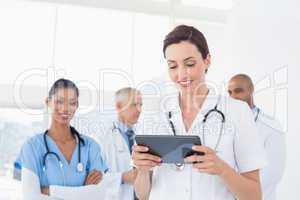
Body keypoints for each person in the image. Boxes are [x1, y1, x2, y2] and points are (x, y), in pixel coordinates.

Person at [132, 25, 266, 200]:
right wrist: (142, 171)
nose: (181, 74)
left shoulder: (237, 111)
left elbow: (254, 195)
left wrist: (222, 169)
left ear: (207, 60)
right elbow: (142, 195)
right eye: (173, 66)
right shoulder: (153, 113)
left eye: (189, 64)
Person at [17, 78, 120, 200]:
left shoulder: (91, 146)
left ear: (76, 106)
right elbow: (31, 197)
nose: (65, 109)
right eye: (59, 101)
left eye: (71, 103)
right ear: (48, 102)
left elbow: (98, 195)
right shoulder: (32, 147)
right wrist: (83, 192)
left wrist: (49, 190)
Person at [228, 74, 286, 200]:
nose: (233, 97)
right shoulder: (227, 124)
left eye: (238, 91)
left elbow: (271, 175)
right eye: (229, 92)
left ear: (251, 90)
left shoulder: (271, 127)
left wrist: (238, 187)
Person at [98, 87, 142, 200]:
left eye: (140, 105)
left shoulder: (142, 134)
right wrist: (122, 177)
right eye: (133, 105)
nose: (139, 109)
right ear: (118, 106)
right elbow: (92, 178)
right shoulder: (103, 137)